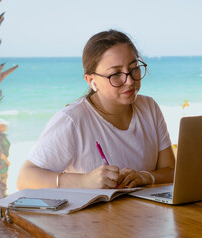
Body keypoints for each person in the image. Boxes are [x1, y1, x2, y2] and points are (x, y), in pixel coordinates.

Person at [17, 30, 175, 190]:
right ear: (91, 80)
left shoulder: (149, 108)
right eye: (116, 74)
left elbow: (172, 172)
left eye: (134, 68)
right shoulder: (72, 120)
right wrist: (84, 181)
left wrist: (145, 177)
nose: (129, 81)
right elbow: (25, 178)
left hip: (142, 214)